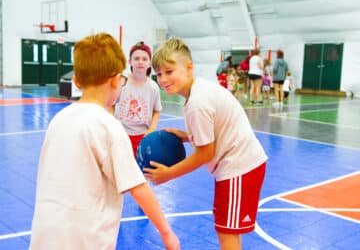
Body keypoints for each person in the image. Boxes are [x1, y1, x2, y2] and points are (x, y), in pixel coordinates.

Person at [29, 33, 180, 250]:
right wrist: (166, 232)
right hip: (85, 241)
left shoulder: (58, 120)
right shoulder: (108, 126)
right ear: (115, 81)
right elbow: (138, 186)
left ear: (76, 81)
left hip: (45, 237)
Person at [146, 38, 267, 250]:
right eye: (159, 73)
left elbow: (205, 153)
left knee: (227, 234)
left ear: (189, 67)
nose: (163, 79)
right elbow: (214, 132)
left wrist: (168, 174)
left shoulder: (197, 103)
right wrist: (186, 135)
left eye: (169, 71)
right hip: (237, 167)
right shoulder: (199, 91)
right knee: (226, 229)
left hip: (239, 167)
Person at [113, 41, 162, 157]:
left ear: (150, 63)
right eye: (136, 58)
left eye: (144, 59)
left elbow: (157, 110)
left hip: (143, 136)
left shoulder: (153, 87)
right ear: (130, 62)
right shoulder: (122, 83)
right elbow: (110, 105)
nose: (140, 61)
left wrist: (152, 129)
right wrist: (113, 126)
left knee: (142, 170)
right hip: (121, 135)